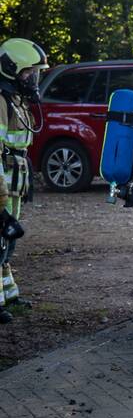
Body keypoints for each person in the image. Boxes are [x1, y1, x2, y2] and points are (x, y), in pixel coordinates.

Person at [0, 38, 48, 323]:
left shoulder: (15, 98)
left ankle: (7, 293)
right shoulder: (1, 101)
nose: (34, 78)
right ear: (10, 68)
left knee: (6, 240)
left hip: (13, 179)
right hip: (3, 182)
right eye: (29, 72)